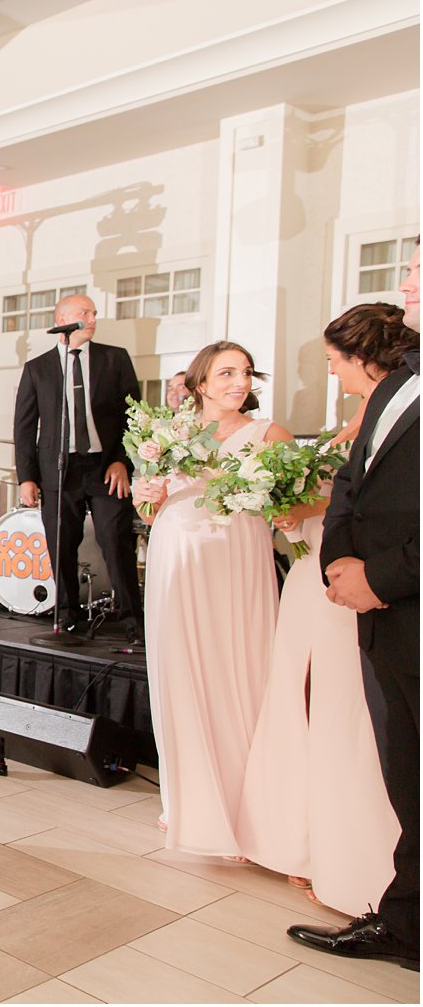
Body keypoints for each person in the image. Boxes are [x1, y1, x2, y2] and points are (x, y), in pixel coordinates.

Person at [239, 304, 413, 913]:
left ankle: (359, 865)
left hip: (373, 585)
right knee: (325, 708)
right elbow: (340, 493)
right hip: (327, 578)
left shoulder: (393, 405)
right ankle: (316, 844)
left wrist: (310, 514)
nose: (332, 374)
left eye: (336, 362)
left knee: (359, 723)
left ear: (361, 358)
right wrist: (318, 540)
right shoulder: (371, 408)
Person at [290, 249, 420, 972]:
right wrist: (340, 560)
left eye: (419, 270)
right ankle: (408, 926)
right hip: (382, 613)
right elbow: (353, 483)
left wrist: (386, 576)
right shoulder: (402, 378)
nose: (405, 285)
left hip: (408, 598)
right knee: (409, 776)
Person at [133, 341, 292, 857]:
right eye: (226, 373)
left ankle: (249, 808)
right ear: (200, 382)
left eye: (245, 373)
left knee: (240, 668)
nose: (239, 383)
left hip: (235, 558)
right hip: (176, 554)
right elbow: (148, 504)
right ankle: (190, 799)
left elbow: (291, 501)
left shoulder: (268, 434)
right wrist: (149, 494)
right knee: (181, 669)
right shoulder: (172, 432)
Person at [15, 294, 142, 633]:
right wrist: (26, 477)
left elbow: (135, 417)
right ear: (63, 319)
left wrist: (122, 461)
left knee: (115, 541)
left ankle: (133, 620)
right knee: (61, 543)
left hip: (105, 467)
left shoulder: (115, 359)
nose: (93, 317)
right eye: (85, 312)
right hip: (59, 468)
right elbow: (25, 428)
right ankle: (66, 615)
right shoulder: (37, 368)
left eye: (94, 312)